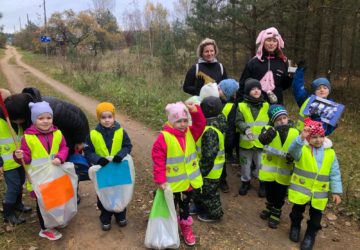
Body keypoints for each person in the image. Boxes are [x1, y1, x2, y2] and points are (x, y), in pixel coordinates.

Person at [151, 101, 205, 246]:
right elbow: (158, 160)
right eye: (178, 121)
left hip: (187, 183)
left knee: (185, 207)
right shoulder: (164, 137)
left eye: (185, 120)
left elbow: (200, 124)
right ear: (171, 121)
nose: (182, 124)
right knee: (170, 208)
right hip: (171, 185)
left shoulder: (190, 133)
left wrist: (195, 111)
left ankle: (186, 228)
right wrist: (161, 180)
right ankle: (169, 230)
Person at [14, 101, 69, 241]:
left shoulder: (58, 133)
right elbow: (25, 158)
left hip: (55, 174)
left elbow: (64, 148)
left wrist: (60, 157)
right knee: (42, 203)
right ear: (34, 120)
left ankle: (55, 221)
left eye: (48, 118)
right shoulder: (28, 137)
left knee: (55, 199)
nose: (45, 121)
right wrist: (18, 155)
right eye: (41, 118)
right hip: (38, 178)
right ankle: (45, 228)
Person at [287, 118, 342, 250]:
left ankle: (310, 235)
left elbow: (334, 173)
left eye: (321, 136)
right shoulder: (302, 149)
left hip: (319, 193)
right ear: (308, 138)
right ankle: (295, 226)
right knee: (296, 212)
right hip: (301, 189)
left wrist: (336, 191)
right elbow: (292, 151)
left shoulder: (330, 153)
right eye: (314, 137)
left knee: (316, 217)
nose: (318, 140)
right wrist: (301, 138)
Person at [84, 102, 132, 231]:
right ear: (99, 118)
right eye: (103, 117)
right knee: (104, 194)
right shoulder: (93, 135)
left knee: (120, 192)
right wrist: (98, 159)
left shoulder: (121, 132)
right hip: (103, 170)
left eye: (109, 116)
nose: (107, 120)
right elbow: (88, 152)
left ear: (114, 117)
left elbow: (127, 146)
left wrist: (121, 155)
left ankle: (120, 214)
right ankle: (105, 217)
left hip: (119, 168)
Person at [258, 104, 299, 229]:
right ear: (273, 121)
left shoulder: (295, 132)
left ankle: (276, 213)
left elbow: (298, 149)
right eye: (278, 120)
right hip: (269, 171)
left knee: (280, 195)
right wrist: (270, 133)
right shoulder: (268, 129)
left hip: (284, 172)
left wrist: (293, 156)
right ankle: (269, 208)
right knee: (269, 193)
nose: (282, 121)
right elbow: (262, 139)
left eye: (284, 118)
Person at [192, 96, 226, 222]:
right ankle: (199, 207)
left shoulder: (210, 130)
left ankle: (214, 214)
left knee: (210, 194)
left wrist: (201, 171)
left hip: (209, 170)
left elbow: (209, 155)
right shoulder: (212, 124)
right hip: (205, 168)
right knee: (200, 190)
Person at [238, 27, 292, 105]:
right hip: (255, 106)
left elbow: (283, 86)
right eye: (268, 40)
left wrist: (291, 76)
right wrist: (238, 105)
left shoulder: (282, 62)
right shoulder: (254, 62)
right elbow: (243, 85)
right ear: (263, 41)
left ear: (278, 43)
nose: (271, 44)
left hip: (276, 106)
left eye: (274, 41)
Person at [1, 99, 32, 226]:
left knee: (20, 184)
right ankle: (8, 214)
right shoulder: (1, 124)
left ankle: (18, 204)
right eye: (20, 119)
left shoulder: (19, 125)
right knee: (13, 188)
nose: (22, 121)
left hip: (19, 162)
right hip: (8, 165)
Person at [236, 78, 269, 197]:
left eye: (258, 89)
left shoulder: (266, 105)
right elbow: (238, 121)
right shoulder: (242, 106)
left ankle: (263, 184)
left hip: (261, 143)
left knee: (261, 164)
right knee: (245, 164)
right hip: (246, 143)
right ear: (247, 92)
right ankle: (245, 182)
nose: (256, 91)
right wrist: (245, 128)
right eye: (253, 89)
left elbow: (270, 122)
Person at [292, 66, 337, 136]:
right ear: (314, 91)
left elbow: (328, 129)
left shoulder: (331, 105)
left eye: (325, 88)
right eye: (318, 88)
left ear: (329, 91)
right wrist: (300, 71)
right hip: (304, 137)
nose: (322, 90)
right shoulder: (307, 100)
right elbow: (297, 89)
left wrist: (333, 125)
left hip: (320, 139)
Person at [218, 79, 240, 192]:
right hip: (217, 139)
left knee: (220, 162)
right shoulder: (215, 102)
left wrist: (228, 145)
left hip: (222, 139)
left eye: (220, 88)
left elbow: (231, 127)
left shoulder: (231, 106)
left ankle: (222, 181)